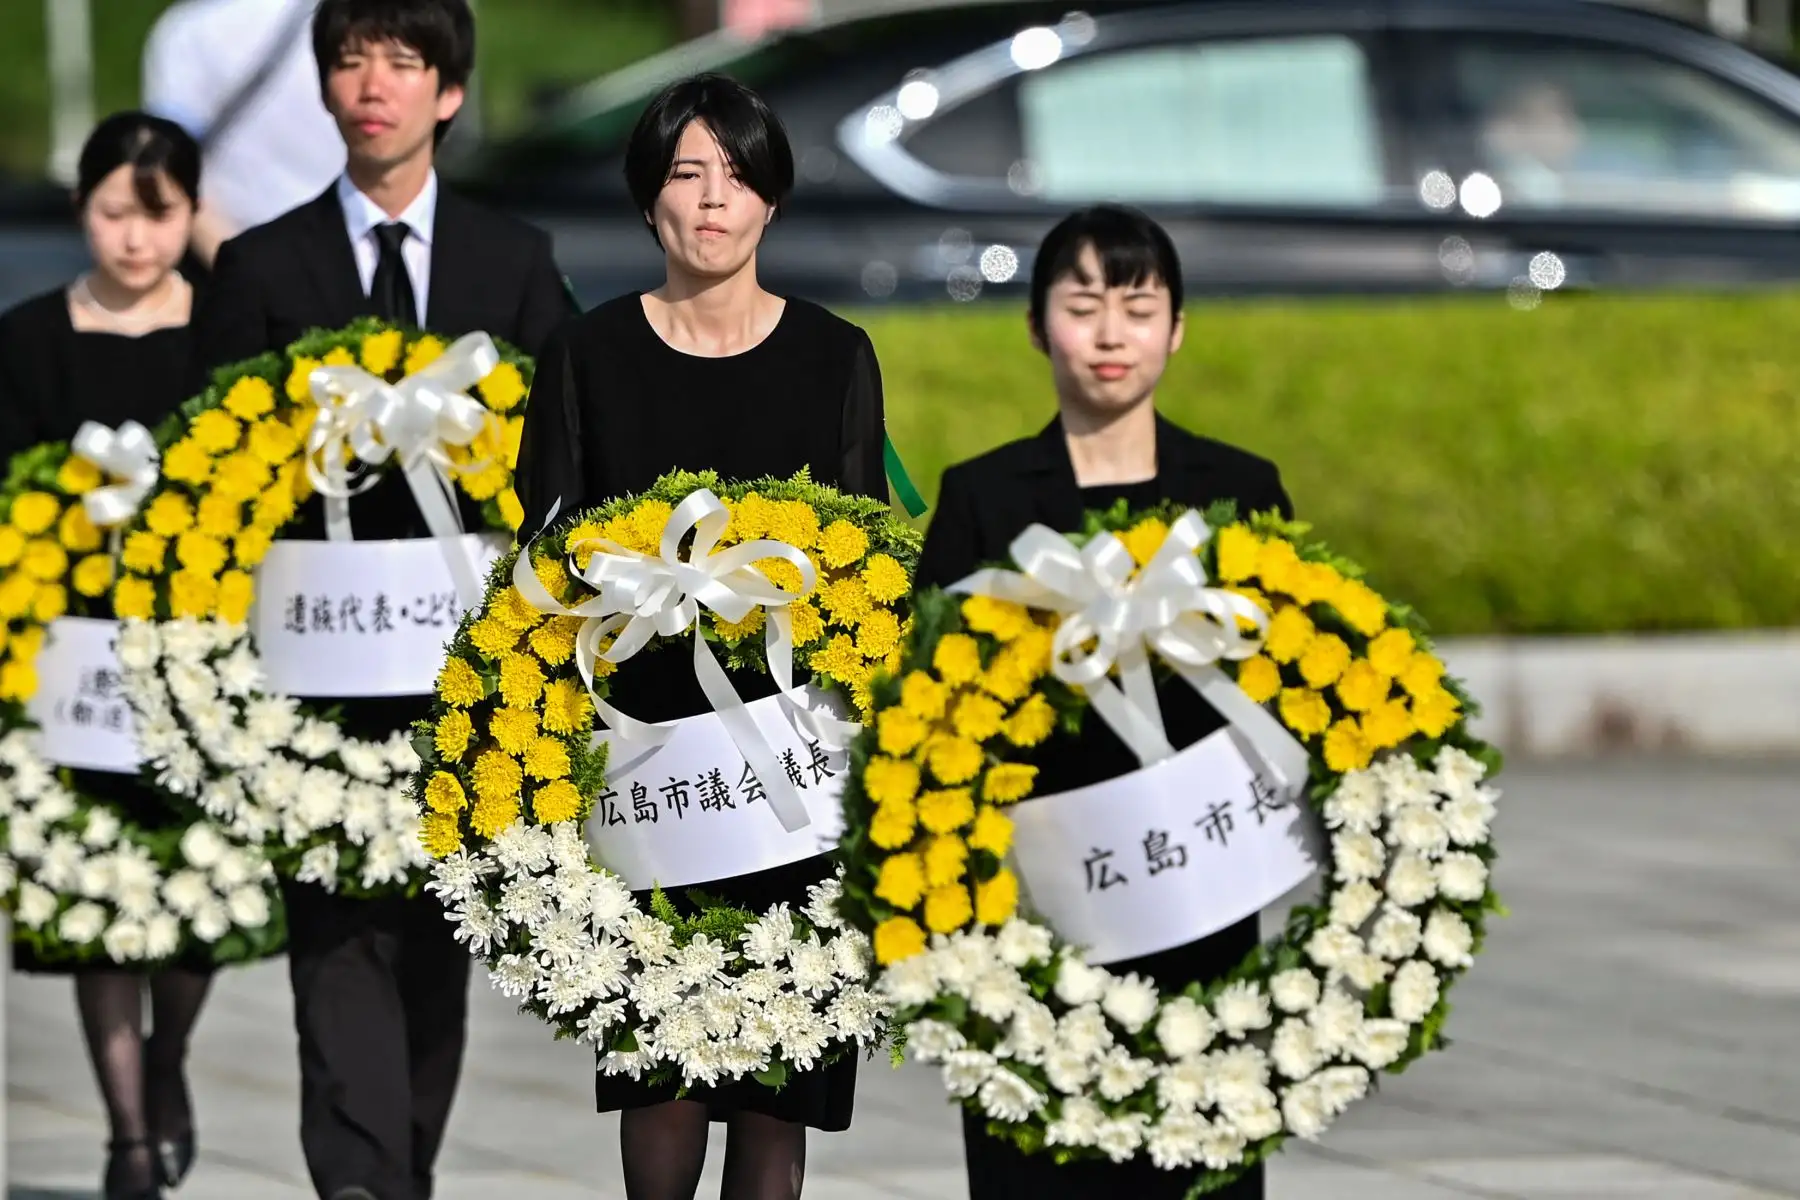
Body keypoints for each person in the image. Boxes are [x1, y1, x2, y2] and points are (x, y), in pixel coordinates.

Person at [188, 3, 572, 1198]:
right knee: (336, 931)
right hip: (321, 671)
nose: (373, 84)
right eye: (350, 59)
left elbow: (561, 461)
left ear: (447, 93)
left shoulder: (511, 263)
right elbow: (212, 478)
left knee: (434, 950)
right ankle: (361, 1181)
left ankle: (395, 1169)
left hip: (463, 674)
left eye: (403, 62)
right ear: (323, 87)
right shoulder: (263, 266)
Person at [513, 73, 885, 1200]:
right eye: (686, 172)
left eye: (737, 173)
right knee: (662, 1079)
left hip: (790, 771)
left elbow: (867, 566)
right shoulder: (586, 358)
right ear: (647, 204)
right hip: (649, 770)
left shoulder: (834, 355)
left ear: (772, 199)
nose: (712, 198)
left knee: (778, 1103)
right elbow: (539, 565)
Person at [911, 204, 1292, 1200]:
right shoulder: (985, 500)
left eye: (1138, 305)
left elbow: (1287, 686)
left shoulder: (1239, 494)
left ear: (1177, 327)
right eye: (1083, 306)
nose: (1111, 334)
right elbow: (930, 709)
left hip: (1198, 891)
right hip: (1039, 905)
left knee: (1198, 1155)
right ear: (1039, 327)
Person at [0, 112, 214, 1200]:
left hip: (193, 660)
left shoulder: (228, 337)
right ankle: (128, 1136)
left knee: (190, 907)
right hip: (70, 664)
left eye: (158, 213)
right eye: (113, 212)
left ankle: (167, 1059)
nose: (134, 238)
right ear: (83, 210)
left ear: (191, 213)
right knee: (96, 902)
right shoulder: (30, 337)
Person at [142, 0, 347, 268]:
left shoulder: (189, 31)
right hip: (353, 255)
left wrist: (242, 269)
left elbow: (165, 171)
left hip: (231, 259)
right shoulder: (372, 19)